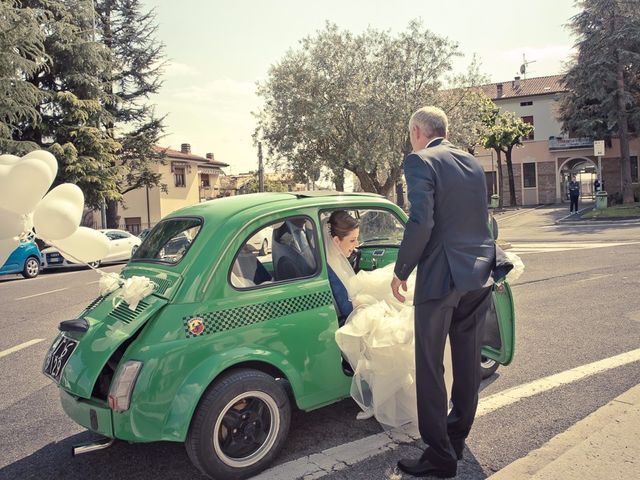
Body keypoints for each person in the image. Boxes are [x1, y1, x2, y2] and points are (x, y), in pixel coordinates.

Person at [390, 106, 495, 478]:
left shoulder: (420, 161)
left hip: (440, 279)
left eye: (410, 135)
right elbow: (480, 219)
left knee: (431, 366)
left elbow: (422, 221)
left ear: (418, 131)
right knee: (467, 363)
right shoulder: (472, 163)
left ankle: (439, 455)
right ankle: (457, 437)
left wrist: (402, 270)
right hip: (479, 276)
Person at [326, 211, 359, 320]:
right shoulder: (332, 269)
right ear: (336, 241)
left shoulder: (333, 259)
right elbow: (347, 310)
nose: (357, 245)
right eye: (352, 240)